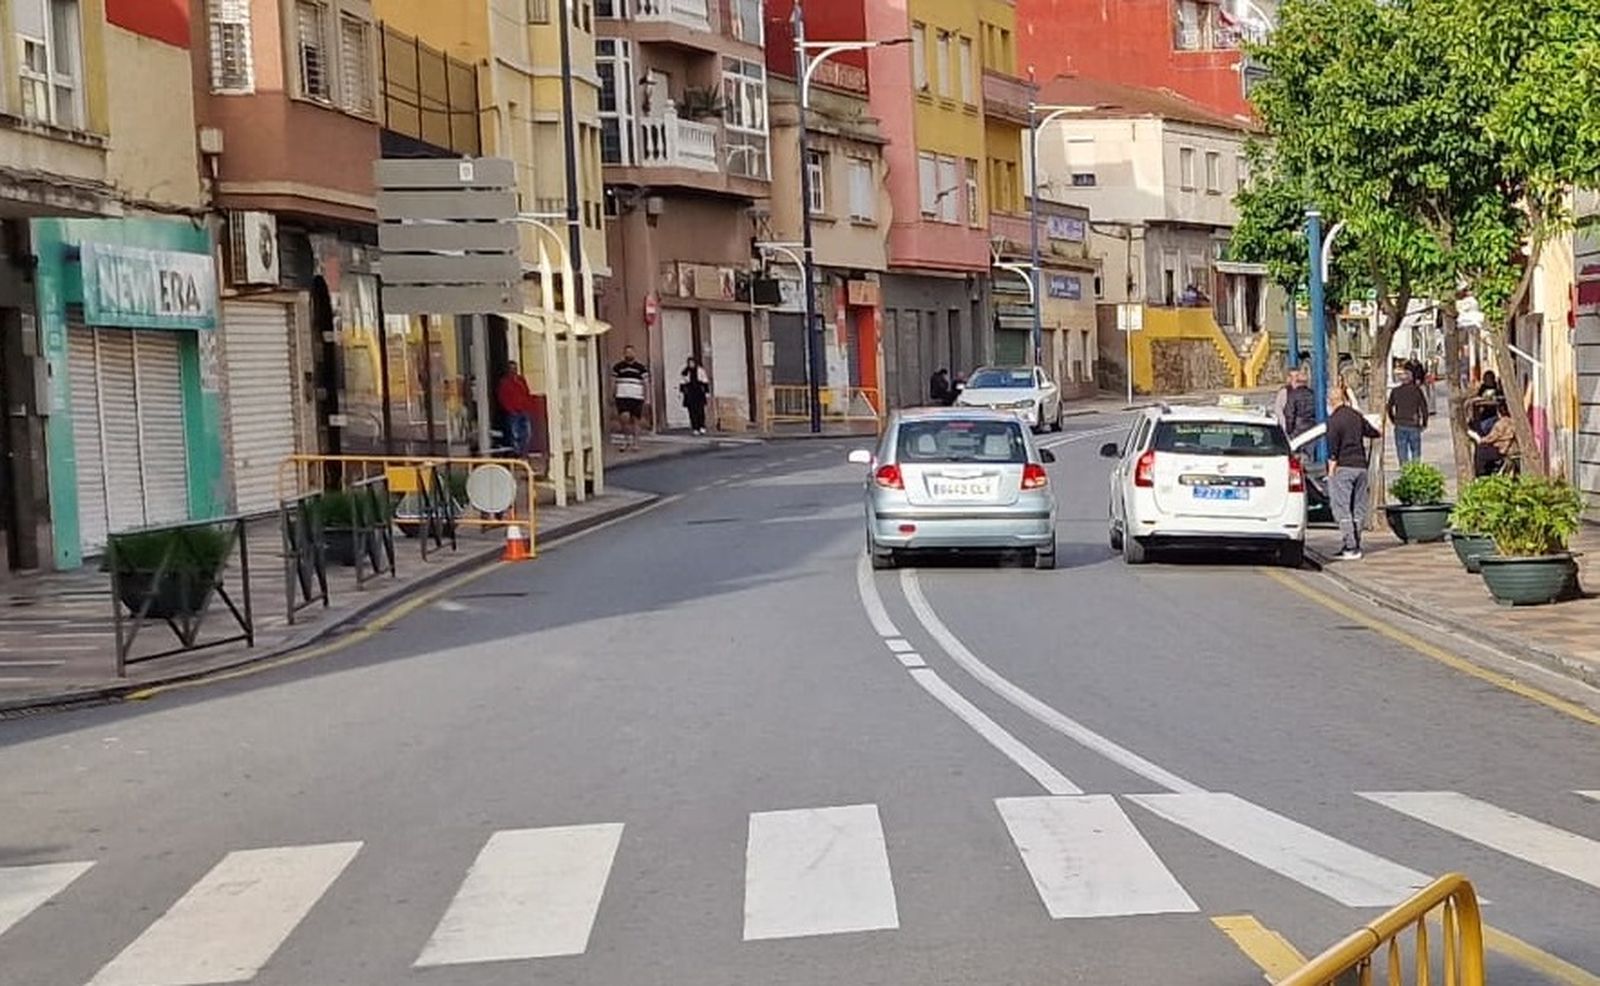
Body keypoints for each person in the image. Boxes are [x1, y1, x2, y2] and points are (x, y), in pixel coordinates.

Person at [1326, 385, 1381, 561]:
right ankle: (1355, 543)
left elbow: (1332, 449)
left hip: (1344, 468)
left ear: (1331, 401)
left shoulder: (1334, 421)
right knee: (1358, 508)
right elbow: (1373, 432)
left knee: (1342, 509)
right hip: (1361, 467)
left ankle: (1351, 546)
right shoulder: (1356, 416)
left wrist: (1331, 471)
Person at [1385, 366, 1429, 465]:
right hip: (1413, 424)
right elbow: (1424, 408)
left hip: (1400, 424)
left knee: (1402, 451)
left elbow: (1389, 407)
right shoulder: (1417, 391)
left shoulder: (1395, 391)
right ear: (1411, 379)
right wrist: (1424, 423)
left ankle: (1404, 471)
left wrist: (1393, 420)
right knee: (1415, 451)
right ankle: (1415, 472)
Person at [495, 362, 537, 457]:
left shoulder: (521, 380)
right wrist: (510, 409)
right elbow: (502, 397)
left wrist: (529, 407)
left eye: (515, 368)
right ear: (508, 370)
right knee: (515, 435)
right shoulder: (504, 382)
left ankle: (524, 452)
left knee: (527, 433)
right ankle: (517, 454)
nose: (513, 370)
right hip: (513, 413)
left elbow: (526, 393)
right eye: (511, 368)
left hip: (524, 411)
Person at [612, 345, 649, 452]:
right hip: (622, 396)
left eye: (631, 352)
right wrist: (613, 393)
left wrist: (646, 397)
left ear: (634, 353)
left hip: (637, 397)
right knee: (624, 418)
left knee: (636, 420)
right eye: (627, 352)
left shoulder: (641, 368)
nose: (629, 354)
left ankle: (635, 443)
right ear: (624, 354)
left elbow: (645, 383)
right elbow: (613, 381)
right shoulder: (618, 367)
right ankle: (625, 439)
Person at [1281, 368, 1318, 442]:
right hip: (1312, 429)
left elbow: (1289, 414)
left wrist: (1289, 431)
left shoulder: (1293, 395)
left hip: (1297, 430)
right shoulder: (1313, 394)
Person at [679, 357, 711, 435]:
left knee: (700, 410)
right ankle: (695, 427)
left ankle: (702, 426)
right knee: (692, 411)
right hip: (690, 393)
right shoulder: (685, 372)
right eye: (689, 363)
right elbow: (682, 383)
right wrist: (682, 393)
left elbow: (705, 382)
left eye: (692, 363)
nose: (691, 364)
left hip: (699, 392)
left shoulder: (700, 370)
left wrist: (707, 393)